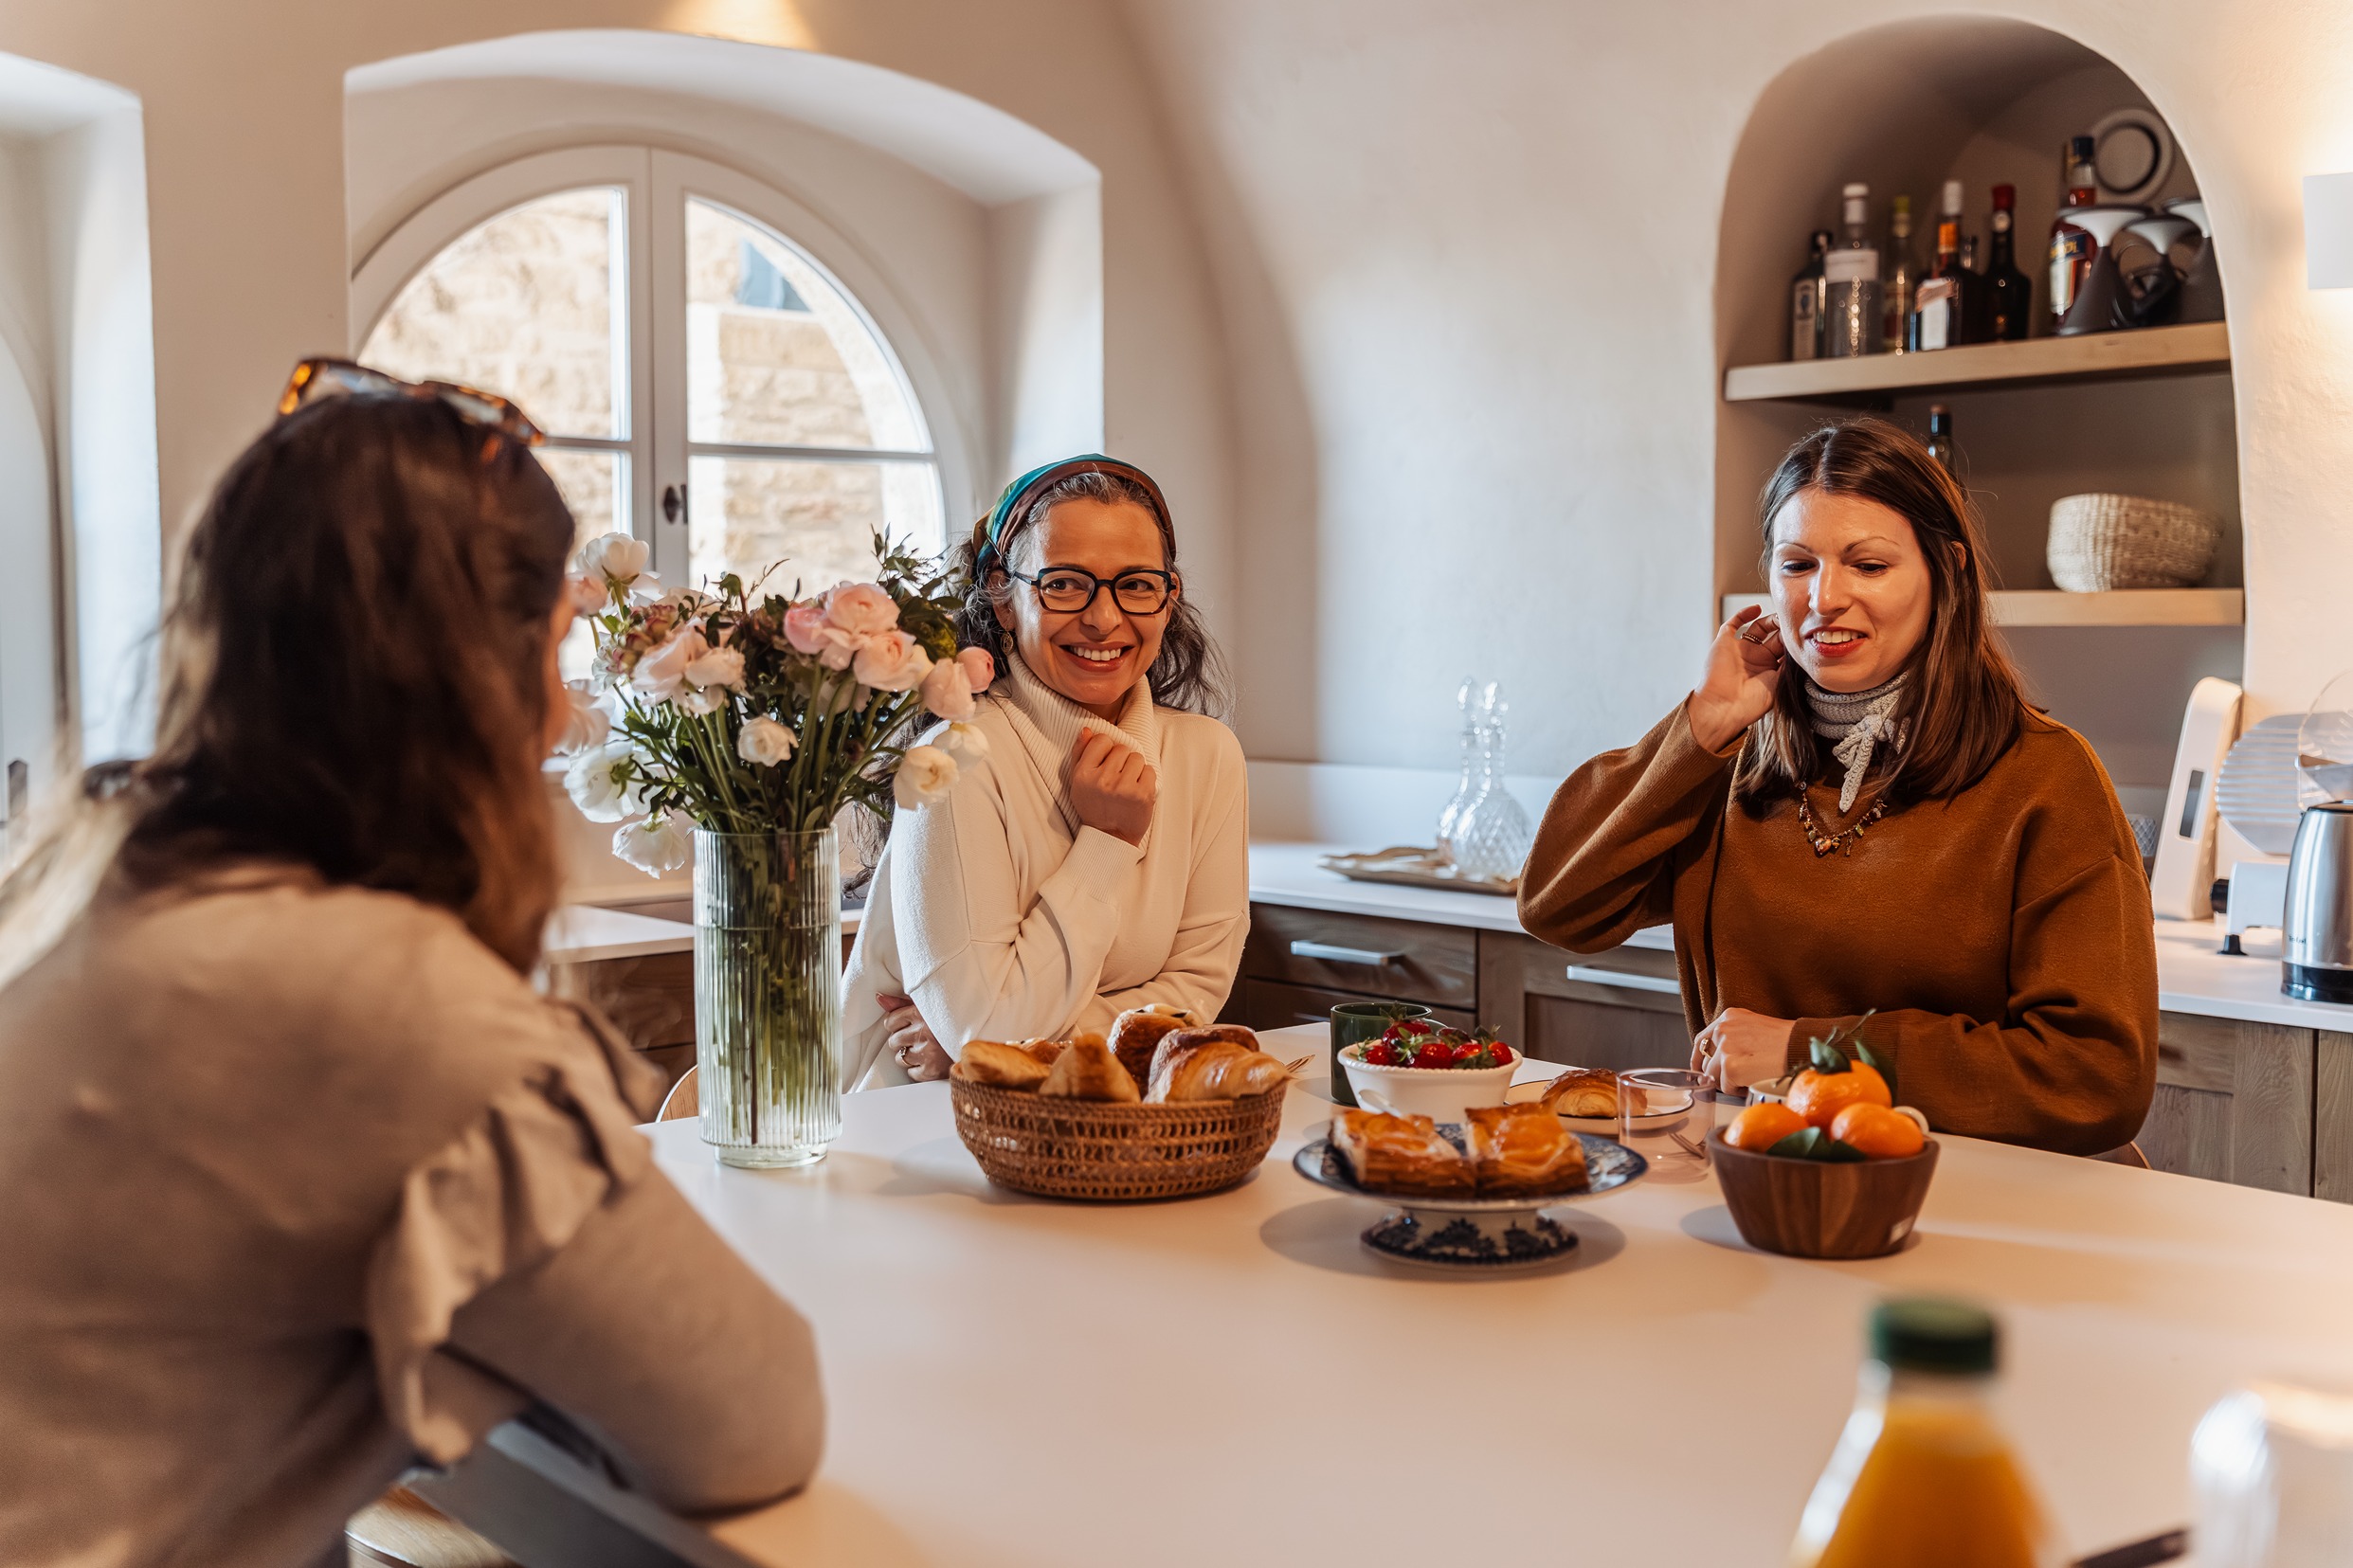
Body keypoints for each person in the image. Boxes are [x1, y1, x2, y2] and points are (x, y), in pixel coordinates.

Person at [0, 364, 823, 1567]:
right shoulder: (384, 998)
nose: (564, 708)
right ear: (471, 681)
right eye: (555, 649)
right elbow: (751, 1418)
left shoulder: (100, 893)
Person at [1517, 418, 2157, 1155]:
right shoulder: (1729, 759)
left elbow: (2096, 1076)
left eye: (1868, 565)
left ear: (1944, 570)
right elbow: (1555, 905)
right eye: (1796, 565)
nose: (1824, 599)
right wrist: (1701, 723)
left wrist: (1808, 1052)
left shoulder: (2045, 775)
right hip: (1765, 1179)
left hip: (1984, 1203)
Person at [842, 456, 1248, 1087]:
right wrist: (1107, 842)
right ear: (1004, 599)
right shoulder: (955, 760)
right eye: (1063, 583)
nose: (1103, 619)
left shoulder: (1209, 755)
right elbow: (987, 1030)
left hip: (1112, 1131)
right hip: (926, 1140)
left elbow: (1194, 992)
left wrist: (1007, 1051)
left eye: (1135, 584)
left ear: (1168, 600)